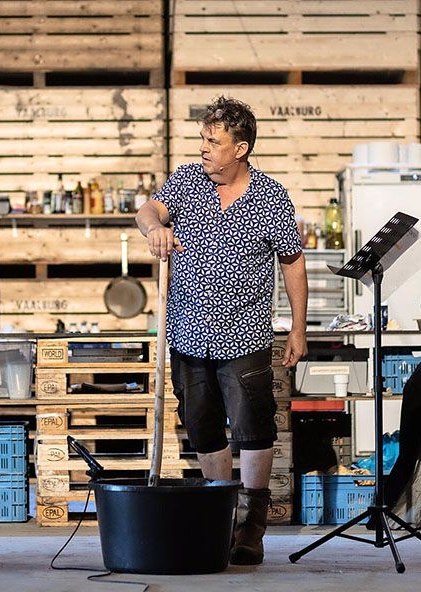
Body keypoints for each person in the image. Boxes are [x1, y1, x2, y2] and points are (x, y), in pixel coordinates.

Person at [135, 96, 308, 566]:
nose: (204, 149)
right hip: (188, 333)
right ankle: (221, 513)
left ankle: (251, 526)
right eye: (203, 139)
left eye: (214, 141)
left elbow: (292, 262)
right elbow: (147, 210)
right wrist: (154, 228)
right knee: (203, 424)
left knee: (253, 426)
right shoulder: (188, 183)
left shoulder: (270, 197)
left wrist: (298, 327)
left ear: (241, 148)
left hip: (244, 336)